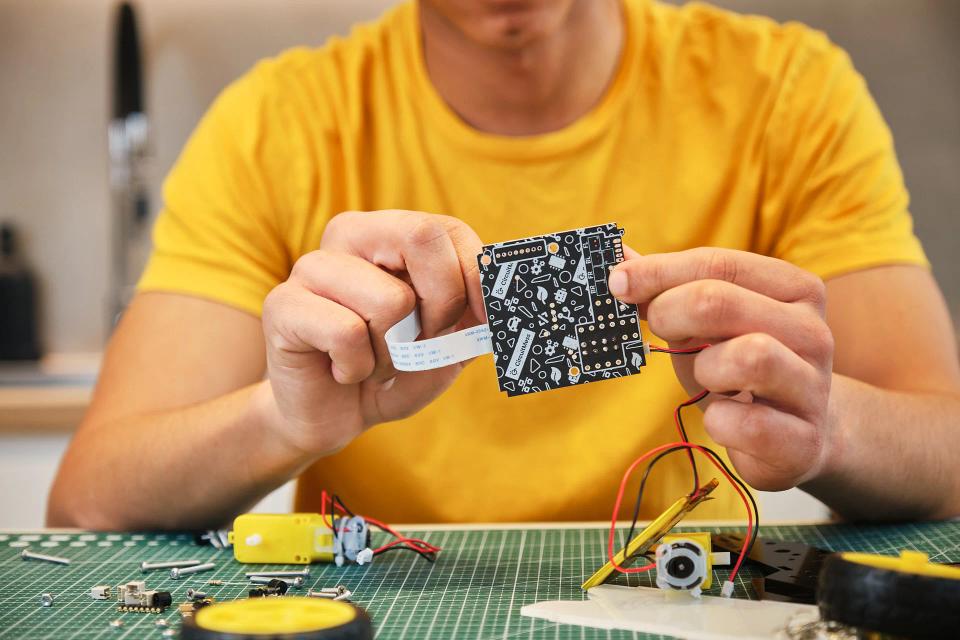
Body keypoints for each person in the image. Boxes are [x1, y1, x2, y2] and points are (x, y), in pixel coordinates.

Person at [48, 0, 959, 530]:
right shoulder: (276, 123)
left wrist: (828, 428)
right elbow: (86, 505)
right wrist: (281, 421)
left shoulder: (789, 92)